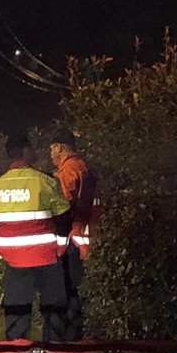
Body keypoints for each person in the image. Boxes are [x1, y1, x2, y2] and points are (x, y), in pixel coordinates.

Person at [0, 131, 71, 341]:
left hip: (15, 261)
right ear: (25, 152)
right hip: (47, 258)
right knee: (54, 312)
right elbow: (64, 216)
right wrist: (61, 245)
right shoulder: (44, 182)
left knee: (16, 314)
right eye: (32, 147)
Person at [48, 134, 99, 341]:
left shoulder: (70, 170)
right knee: (73, 294)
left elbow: (63, 201)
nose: (50, 154)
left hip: (70, 240)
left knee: (64, 295)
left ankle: (63, 347)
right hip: (80, 238)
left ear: (59, 147)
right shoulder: (84, 167)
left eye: (51, 149)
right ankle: (74, 344)